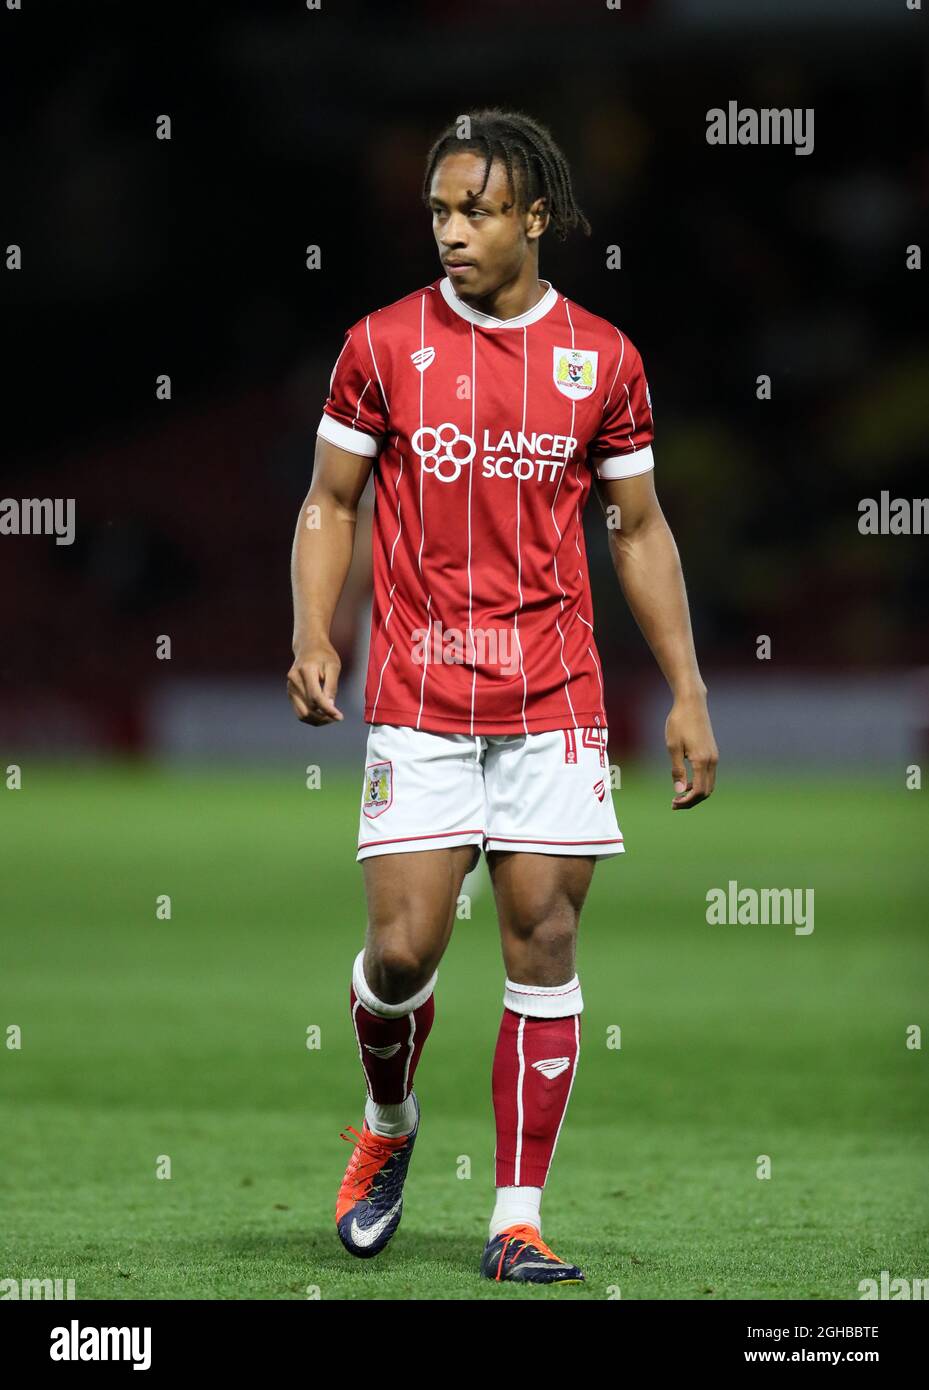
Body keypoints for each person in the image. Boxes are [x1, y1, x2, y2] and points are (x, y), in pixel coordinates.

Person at [288, 108, 718, 1285]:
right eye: (438, 211)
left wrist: (684, 688)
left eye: (476, 210)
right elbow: (331, 500)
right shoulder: (379, 345)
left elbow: (635, 528)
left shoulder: (603, 359)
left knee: (544, 940)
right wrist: (313, 632)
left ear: (536, 217)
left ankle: (514, 1217)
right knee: (400, 954)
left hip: (554, 698)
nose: (452, 232)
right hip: (420, 694)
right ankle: (387, 1124)